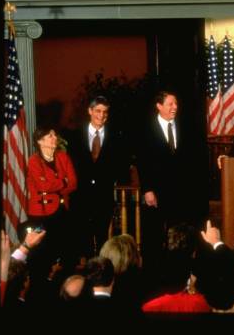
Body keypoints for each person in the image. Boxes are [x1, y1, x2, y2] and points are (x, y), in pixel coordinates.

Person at [136, 90, 207, 278]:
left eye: (176, 104)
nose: (174, 107)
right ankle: (153, 274)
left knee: (179, 234)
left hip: (181, 192)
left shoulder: (185, 126)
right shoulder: (145, 129)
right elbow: (143, 162)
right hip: (156, 192)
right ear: (159, 106)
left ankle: (179, 271)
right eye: (170, 104)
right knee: (154, 234)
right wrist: (148, 189)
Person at [67, 95, 128, 259]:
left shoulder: (116, 136)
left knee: (102, 237)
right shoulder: (74, 135)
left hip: (104, 196)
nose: (101, 116)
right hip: (80, 196)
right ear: (90, 111)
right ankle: (87, 272)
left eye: (105, 112)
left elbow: (121, 164)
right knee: (83, 238)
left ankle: (101, 272)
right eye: (98, 111)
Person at [26, 127, 77, 300]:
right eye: (49, 136)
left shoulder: (63, 157)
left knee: (65, 252)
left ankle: (62, 291)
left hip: (62, 211)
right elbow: (42, 186)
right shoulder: (33, 161)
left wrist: (55, 183)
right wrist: (62, 181)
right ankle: (38, 293)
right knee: (41, 255)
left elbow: (74, 183)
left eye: (55, 135)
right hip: (40, 213)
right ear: (40, 141)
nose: (54, 138)